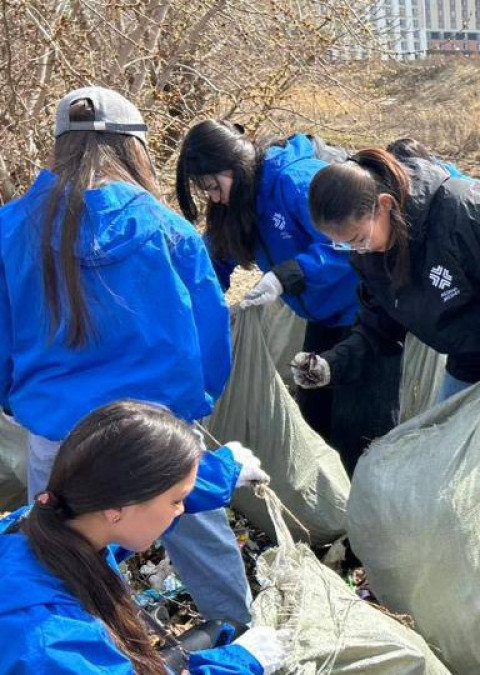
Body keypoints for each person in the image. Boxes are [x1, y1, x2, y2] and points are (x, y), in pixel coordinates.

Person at [291, 147, 480, 617]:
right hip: (470, 343)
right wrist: (332, 364)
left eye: (359, 237)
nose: (356, 249)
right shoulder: (371, 251)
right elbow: (377, 327)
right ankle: (455, 548)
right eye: (344, 244)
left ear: (385, 206)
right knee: (442, 450)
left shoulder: (465, 208)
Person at [0, 87, 254, 625]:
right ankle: (239, 634)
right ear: (133, 149)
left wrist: (24, 402)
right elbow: (211, 334)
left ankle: (106, 647)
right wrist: (193, 407)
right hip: (157, 432)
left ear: (58, 147)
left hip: (60, 433)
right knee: (197, 529)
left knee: (63, 559)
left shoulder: (10, 229)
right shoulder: (169, 231)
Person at [176, 121, 400, 474]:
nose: (214, 197)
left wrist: (290, 273)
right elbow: (215, 258)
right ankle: (333, 506)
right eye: (206, 191)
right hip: (323, 314)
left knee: (360, 424)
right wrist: (195, 306)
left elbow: (347, 243)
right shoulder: (238, 198)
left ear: (233, 164)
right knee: (314, 413)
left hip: (367, 309)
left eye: (213, 186)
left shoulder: (294, 181)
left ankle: (372, 512)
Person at [0, 401, 283, 674]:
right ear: (117, 510)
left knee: (223, 628)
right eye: (176, 501)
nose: (182, 510)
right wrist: (242, 662)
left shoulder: (51, 519)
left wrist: (225, 470)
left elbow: (146, 495)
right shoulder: (53, 644)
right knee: (229, 635)